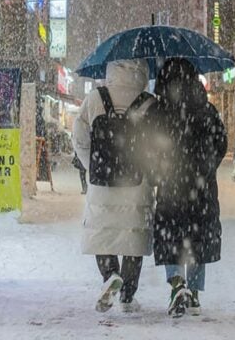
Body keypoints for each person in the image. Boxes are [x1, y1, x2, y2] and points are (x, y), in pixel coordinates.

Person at [144, 58, 227, 318]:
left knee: (171, 234)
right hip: (201, 186)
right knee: (198, 236)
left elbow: (146, 147)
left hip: (171, 184)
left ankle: (177, 283)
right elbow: (221, 143)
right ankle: (195, 293)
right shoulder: (207, 109)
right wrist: (208, 167)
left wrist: (157, 172)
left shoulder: (157, 111)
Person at [72, 60, 155, 313]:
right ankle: (128, 296)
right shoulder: (149, 101)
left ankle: (110, 274)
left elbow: (79, 135)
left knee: (103, 233)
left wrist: (92, 166)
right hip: (136, 181)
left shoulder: (95, 98)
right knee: (133, 236)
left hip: (102, 181)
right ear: (142, 72)